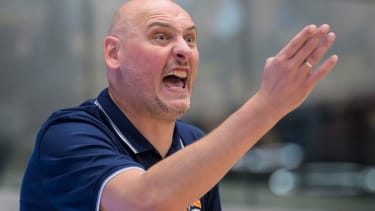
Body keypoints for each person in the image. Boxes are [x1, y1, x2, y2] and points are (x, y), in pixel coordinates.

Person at [20, 0, 338, 210]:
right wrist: (268, 106)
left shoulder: (193, 142)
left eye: (190, 38)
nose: (183, 50)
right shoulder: (67, 135)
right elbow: (144, 202)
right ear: (114, 54)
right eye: (161, 37)